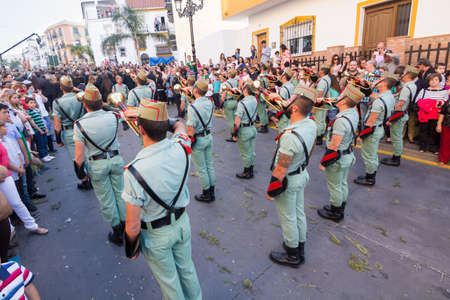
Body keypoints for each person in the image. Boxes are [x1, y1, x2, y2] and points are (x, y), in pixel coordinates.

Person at [123, 100, 202, 300]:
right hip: (182, 222)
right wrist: (165, 123)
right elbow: (180, 125)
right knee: (187, 270)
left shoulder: (134, 170)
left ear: (140, 129)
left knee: (169, 282)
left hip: (156, 234)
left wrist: (131, 249)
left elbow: (132, 225)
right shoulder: (182, 146)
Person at [265, 92, 317, 268]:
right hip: (301, 173)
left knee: (288, 217)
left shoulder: (289, 136)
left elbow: (281, 168)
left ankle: (292, 253)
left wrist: (271, 190)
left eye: (289, 101)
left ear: (294, 108)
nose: (286, 103)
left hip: (289, 179)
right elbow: (311, 148)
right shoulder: (310, 123)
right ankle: (299, 245)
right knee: (298, 212)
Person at [73, 86, 126, 246]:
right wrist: (105, 106)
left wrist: (81, 174)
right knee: (121, 194)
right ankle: (126, 225)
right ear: (100, 102)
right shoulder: (113, 116)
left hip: (97, 164)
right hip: (116, 159)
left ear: (85, 105)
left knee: (107, 199)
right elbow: (123, 115)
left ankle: (117, 232)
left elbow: (79, 156)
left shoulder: (80, 124)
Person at [317, 85, 364, 222]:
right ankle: (340, 206)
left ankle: (335, 211)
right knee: (342, 183)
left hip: (338, 158)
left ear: (343, 101)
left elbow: (334, 145)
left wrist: (324, 162)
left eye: (340, 96)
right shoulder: (353, 112)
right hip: (347, 154)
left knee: (335, 185)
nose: (337, 97)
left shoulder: (340, 120)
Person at [0, 121, 48, 235]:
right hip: (4, 176)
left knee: (16, 202)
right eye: (2, 126)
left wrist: (20, 166)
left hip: (7, 176)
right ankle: (9, 232)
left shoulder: (5, 140)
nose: (5, 127)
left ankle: (32, 226)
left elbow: (15, 153)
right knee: (4, 207)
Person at [354, 73, 397, 186]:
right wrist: (366, 86)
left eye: (380, 80)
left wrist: (361, 136)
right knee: (372, 153)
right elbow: (372, 95)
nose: (377, 81)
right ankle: (371, 173)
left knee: (369, 155)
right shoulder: (389, 95)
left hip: (372, 130)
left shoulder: (379, 101)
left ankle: (370, 178)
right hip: (379, 128)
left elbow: (370, 122)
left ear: (383, 84)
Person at [53, 76, 91, 190]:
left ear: (61, 88)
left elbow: (57, 124)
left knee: (77, 158)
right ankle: (94, 178)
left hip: (70, 132)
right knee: (88, 154)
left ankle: (84, 181)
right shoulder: (79, 97)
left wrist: (58, 140)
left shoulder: (57, 102)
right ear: (72, 86)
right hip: (83, 128)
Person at [381, 66, 419, 166]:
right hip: (402, 114)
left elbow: (400, 104)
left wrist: (391, 119)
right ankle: (395, 156)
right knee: (397, 137)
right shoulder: (412, 85)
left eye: (404, 73)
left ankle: (396, 158)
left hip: (399, 115)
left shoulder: (406, 88)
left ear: (409, 75)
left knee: (396, 138)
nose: (402, 75)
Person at [187, 79, 216, 202]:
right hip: (208, 136)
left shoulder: (192, 106)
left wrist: (188, 143)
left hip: (198, 139)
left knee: (201, 168)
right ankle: (212, 191)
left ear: (195, 90)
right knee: (209, 165)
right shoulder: (210, 102)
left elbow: (191, 129)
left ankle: (206, 193)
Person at [415, 73, 448, 153]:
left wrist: (438, 103)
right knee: (423, 130)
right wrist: (432, 104)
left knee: (434, 131)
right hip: (425, 114)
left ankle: (433, 147)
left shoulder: (444, 91)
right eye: (431, 80)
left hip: (437, 115)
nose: (433, 81)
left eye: (435, 80)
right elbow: (418, 100)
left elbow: (445, 102)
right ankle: (423, 146)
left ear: (439, 81)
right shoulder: (424, 91)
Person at [232, 82, 258, 179]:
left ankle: (247, 172)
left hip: (245, 129)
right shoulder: (255, 100)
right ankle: (251, 169)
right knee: (251, 151)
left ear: (246, 91)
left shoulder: (242, 103)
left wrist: (234, 133)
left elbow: (237, 121)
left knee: (245, 153)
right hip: (252, 128)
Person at [25, 97, 54, 162]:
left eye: (34, 102)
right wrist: (39, 130)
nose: (33, 104)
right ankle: (43, 156)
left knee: (45, 142)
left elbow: (42, 119)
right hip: (38, 130)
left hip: (43, 128)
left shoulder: (37, 110)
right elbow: (33, 123)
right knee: (40, 143)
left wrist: (45, 127)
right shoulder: (29, 112)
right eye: (31, 103)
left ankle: (47, 154)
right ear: (27, 104)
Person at [271, 68, 295, 132]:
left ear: (284, 77)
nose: (280, 76)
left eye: (281, 75)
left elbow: (281, 104)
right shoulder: (292, 85)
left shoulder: (284, 88)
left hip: (284, 114)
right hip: (291, 112)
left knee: (282, 131)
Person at [314, 64, 332, 144]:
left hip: (319, 102)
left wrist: (315, 105)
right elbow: (328, 92)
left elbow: (320, 93)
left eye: (320, 70)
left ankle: (318, 137)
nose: (319, 71)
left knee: (318, 120)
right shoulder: (328, 79)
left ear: (322, 71)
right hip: (324, 101)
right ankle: (321, 136)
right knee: (322, 120)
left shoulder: (322, 81)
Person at [221, 70, 239, 142]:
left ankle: (234, 136)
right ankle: (237, 134)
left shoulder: (225, 83)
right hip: (235, 101)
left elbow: (224, 94)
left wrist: (221, 104)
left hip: (228, 102)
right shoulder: (236, 82)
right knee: (235, 119)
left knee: (230, 120)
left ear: (229, 75)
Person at [257, 62, 270, 133]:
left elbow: (258, 86)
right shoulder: (267, 75)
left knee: (261, 111)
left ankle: (263, 126)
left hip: (261, 94)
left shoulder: (261, 76)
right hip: (266, 93)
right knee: (264, 110)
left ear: (262, 67)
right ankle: (265, 124)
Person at [437, 97, 450, 164]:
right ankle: (443, 159)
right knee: (445, 142)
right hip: (447, 124)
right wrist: (439, 124)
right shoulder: (448, 102)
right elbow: (442, 113)